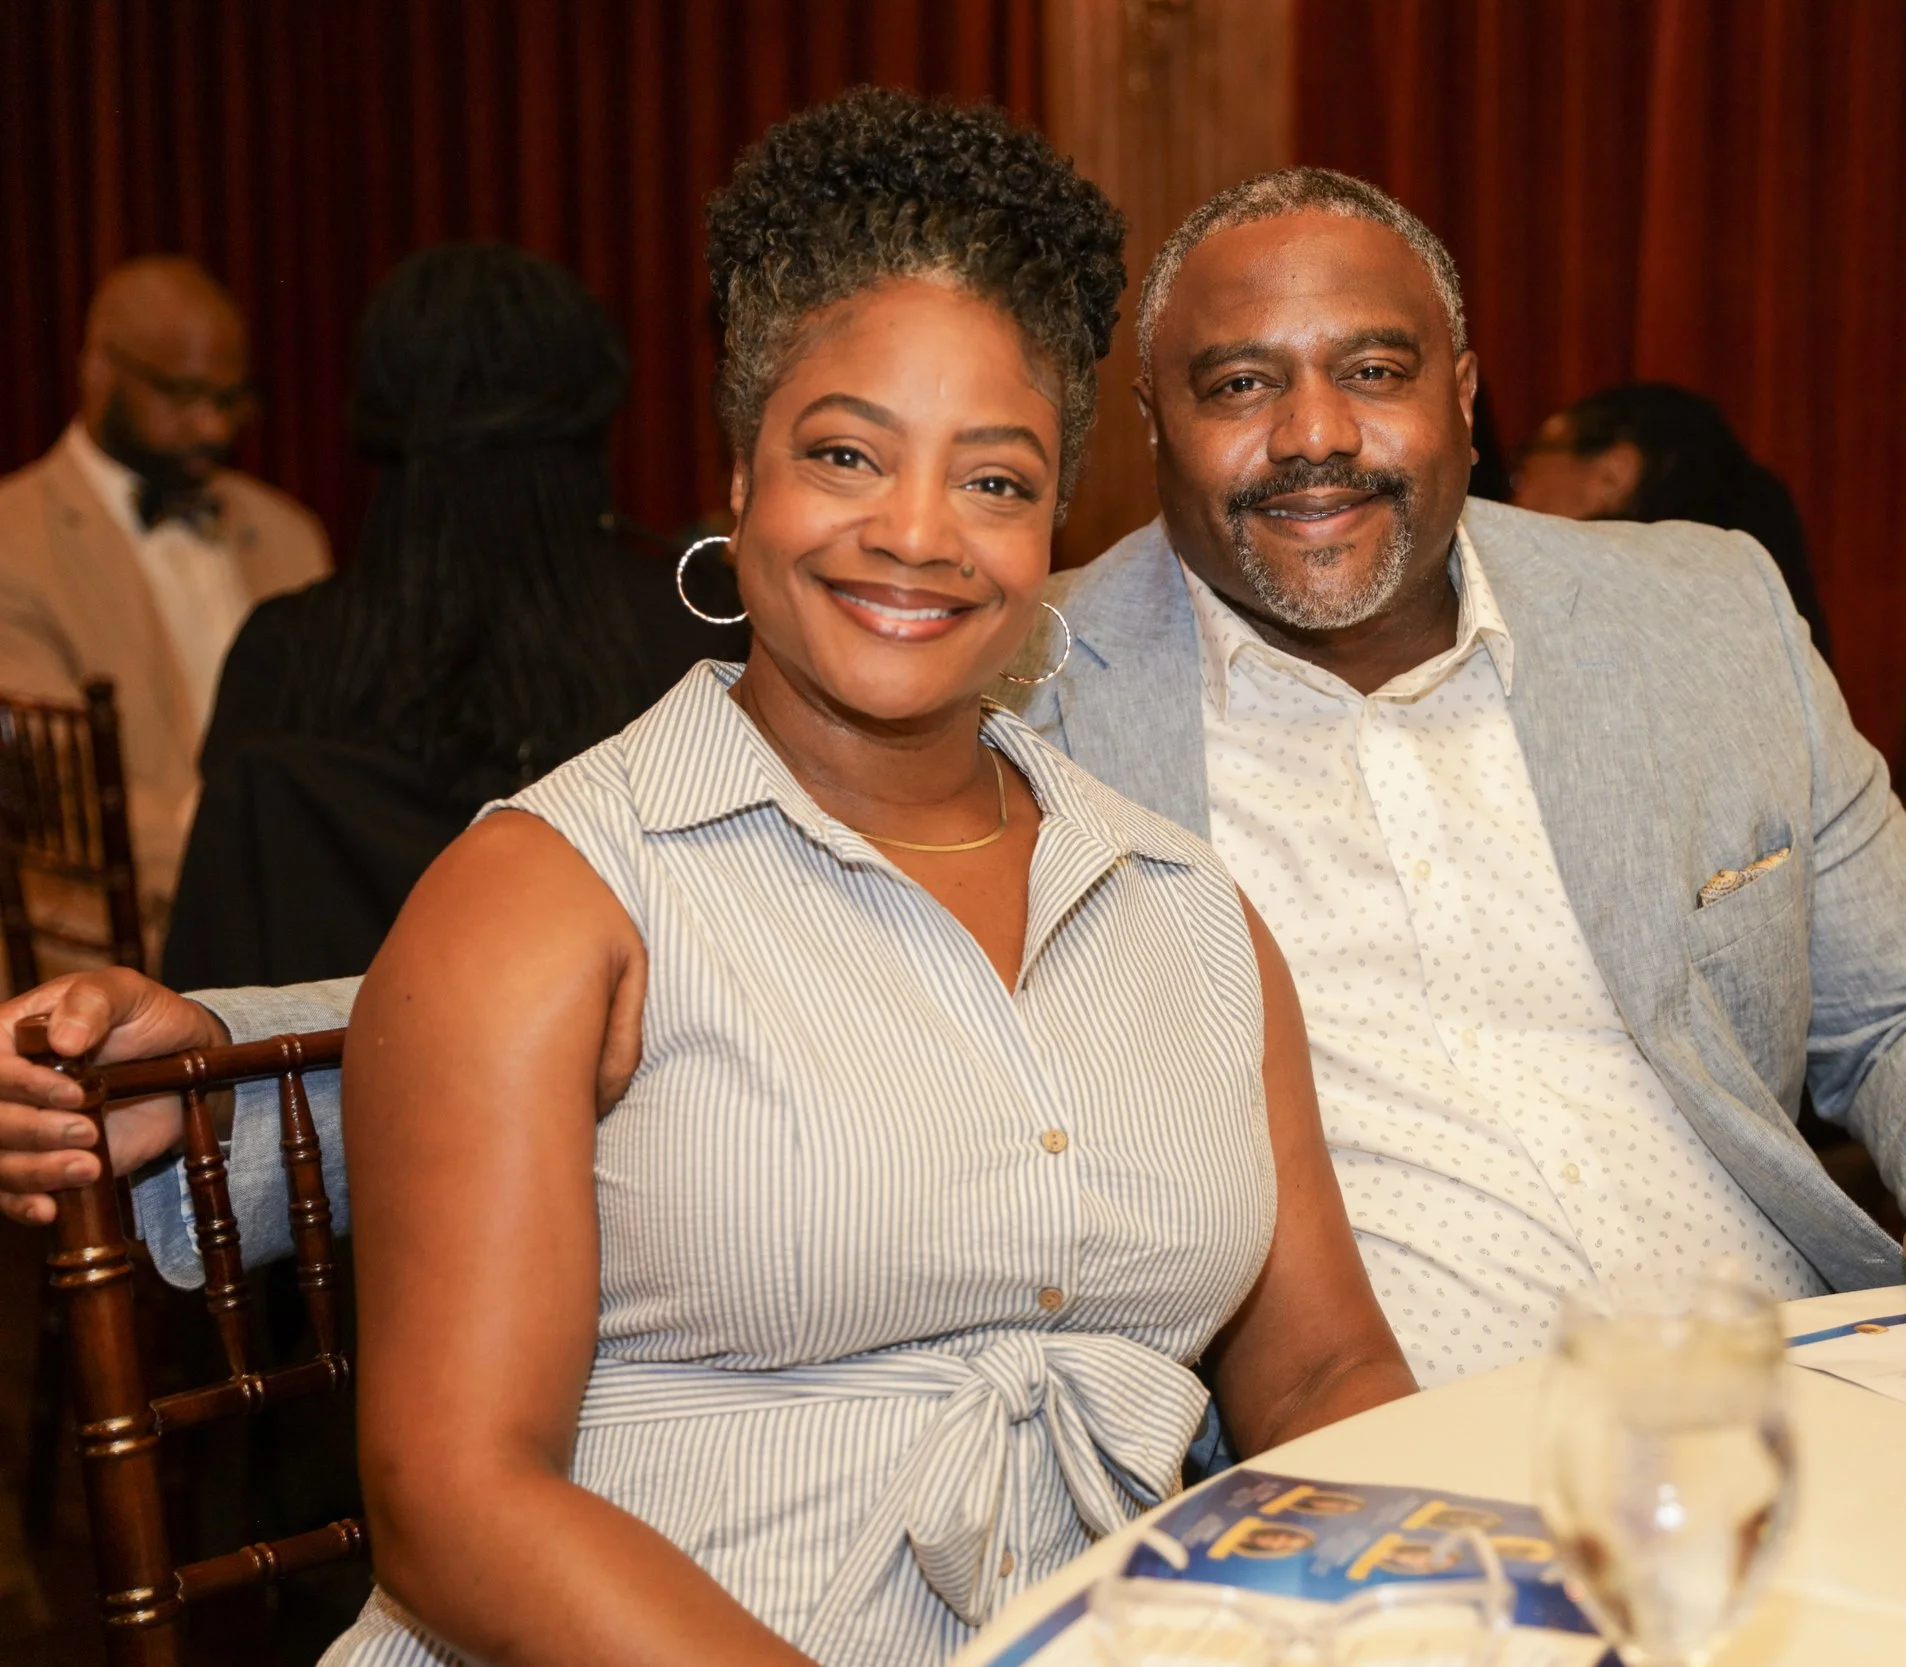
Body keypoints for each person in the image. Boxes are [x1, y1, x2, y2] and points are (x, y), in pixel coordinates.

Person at [0, 169, 1906, 1389]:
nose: (1312, 433)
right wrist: (229, 1051)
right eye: (1234, 384)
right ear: (1147, 443)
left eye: (1367, 366)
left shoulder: (1690, 612)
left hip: (1782, 1385)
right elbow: (658, 926)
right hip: (1353, 1465)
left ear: (1464, 387)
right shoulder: (1020, 660)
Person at [7, 96, 1415, 1667]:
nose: (917, 534)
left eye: (996, 481)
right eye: (845, 454)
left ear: (1052, 529)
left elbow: (1319, 1376)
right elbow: (457, 1498)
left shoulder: (1181, 905)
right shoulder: (550, 894)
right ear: (736, 480)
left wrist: (1458, 1604)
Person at [160, 243, 745, 990]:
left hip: (331, 1095)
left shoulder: (279, 654)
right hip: (636, 1092)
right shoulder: (699, 634)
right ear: (595, 409)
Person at [0, 257, 329, 951]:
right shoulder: (14, 541)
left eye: (230, 397)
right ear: (98, 367)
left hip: (288, 930)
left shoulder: (288, 532)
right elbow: (63, 798)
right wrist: (250, 854)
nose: (212, 425)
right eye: (181, 394)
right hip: (103, 944)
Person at [1508, 381, 1832, 658]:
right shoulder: (1763, 612)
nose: (1513, 498)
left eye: (1523, 472)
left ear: (1613, 474)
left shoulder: (1596, 616)